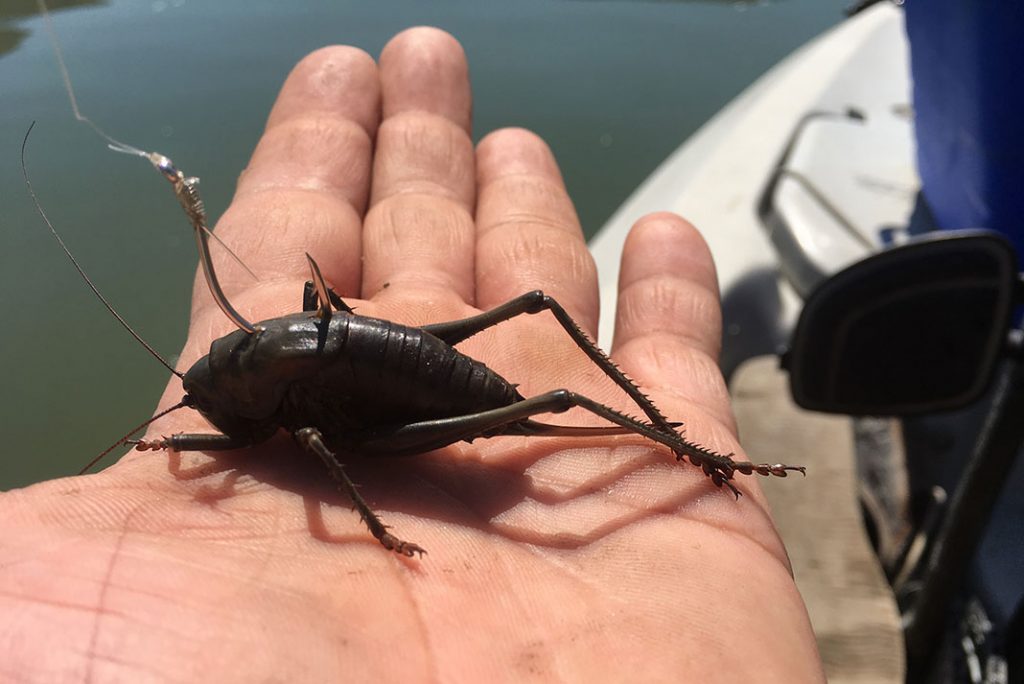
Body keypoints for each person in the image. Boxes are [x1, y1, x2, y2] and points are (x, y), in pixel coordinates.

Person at [0, 28, 824, 681]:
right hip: (363, 361)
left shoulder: (277, 411)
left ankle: (693, 453)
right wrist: (171, 440)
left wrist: (198, 448)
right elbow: (252, 421)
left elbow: (311, 439)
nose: (209, 401)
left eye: (209, 392)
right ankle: (689, 450)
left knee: (552, 396)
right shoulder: (253, 371)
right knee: (486, 375)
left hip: (417, 401)